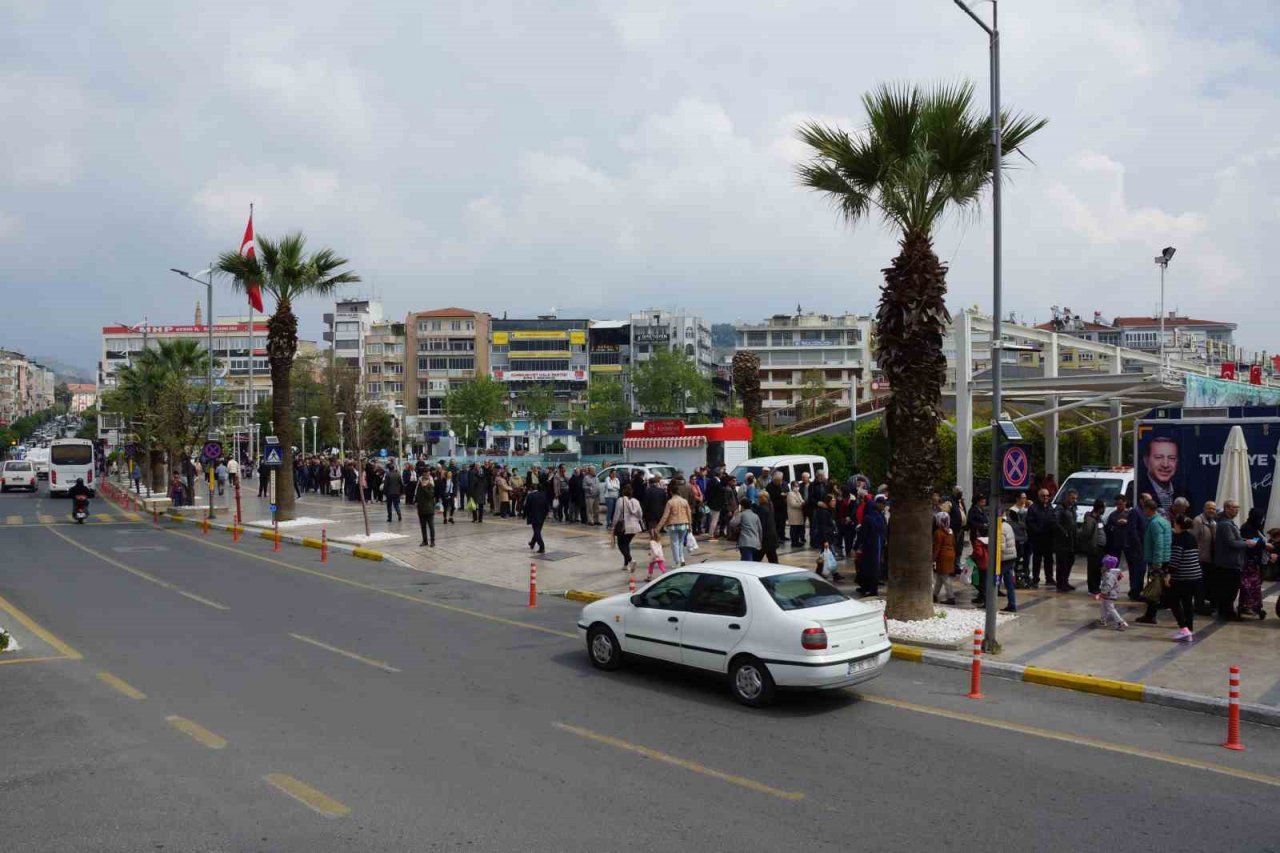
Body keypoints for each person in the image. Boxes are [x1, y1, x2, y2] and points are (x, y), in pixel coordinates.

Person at [1212, 499, 1256, 621]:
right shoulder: (1225, 524)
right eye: (1234, 507)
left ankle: (1225, 611)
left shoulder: (1228, 522)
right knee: (1230, 590)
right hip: (1229, 562)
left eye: (1238, 507)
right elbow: (1231, 543)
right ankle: (1228, 613)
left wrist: (1244, 540)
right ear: (1227, 508)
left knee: (1227, 589)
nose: (1237, 510)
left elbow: (1235, 539)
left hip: (1228, 562)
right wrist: (1246, 543)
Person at [1134, 497, 1172, 625]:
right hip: (1165, 558)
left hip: (1157, 560)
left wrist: (1157, 563)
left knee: (1153, 588)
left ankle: (1151, 615)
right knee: (1159, 587)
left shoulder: (1155, 523)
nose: (1143, 512)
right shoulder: (1164, 521)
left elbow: (1158, 544)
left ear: (1148, 509)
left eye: (1144, 509)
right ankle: (1151, 613)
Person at [1165, 514, 1202, 641]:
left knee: (1173, 601)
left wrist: (1168, 573)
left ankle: (1183, 628)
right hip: (1195, 576)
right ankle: (1189, 630)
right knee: (1187, 602)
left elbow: (1175, 560)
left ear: (1178, 525)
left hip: (1182, 577)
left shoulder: (1178, 539)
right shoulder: (1191, 537)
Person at [1142, 435, 1189, 515]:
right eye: (1158, 457)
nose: (1165, 464)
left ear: (1177, 462)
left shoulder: (1184, 493)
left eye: (1171, 458)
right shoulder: (1139, 490)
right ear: (1146, 461)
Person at [1237, 507, 1268, 619]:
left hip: (1257, 562)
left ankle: (1254, 606)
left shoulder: (1257, 527)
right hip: (1249, 561)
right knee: (1248, 586)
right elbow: (1251, 542)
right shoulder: (1247, 528)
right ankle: (1247, 606)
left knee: (1256, 586)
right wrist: (1265, 545)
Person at [854, 496, 887, 597]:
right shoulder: (881, 517)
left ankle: (869, 589)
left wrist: (856, 547)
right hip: (878, 547)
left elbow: (862, 534)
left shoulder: (868, 518)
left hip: (869, 548)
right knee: (874, 568)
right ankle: (871, 589)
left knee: (866, 568)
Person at [656, 482, 693, 568]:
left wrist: (658, 527)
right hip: (684, 524)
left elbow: (665, 516)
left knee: (675, 544)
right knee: (680, 543)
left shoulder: (670, 502)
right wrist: (690, 526)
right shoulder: (684, 501)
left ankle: (677, 562)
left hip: (673, 525)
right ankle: (682, 559)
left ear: (671, 492)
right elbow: (689, 514)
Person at [1191, 501, 1218, 615]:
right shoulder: (1197, 521)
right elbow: (1192, 539)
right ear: (1204, 509)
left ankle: (1205, 603)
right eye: (1209, 508)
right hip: (1200, 558)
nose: (1211, 510)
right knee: (1199, 584)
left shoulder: (1214, 522)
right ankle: (1199, 605)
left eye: (1213, 509)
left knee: (1207, 583)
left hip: (1210, 558)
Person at [1026, 488, 1055, 588]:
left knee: (1049, 560)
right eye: (1043, 496)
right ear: (1039, 497)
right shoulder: (1033, 508)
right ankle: (1035, 579)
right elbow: (1030, 522)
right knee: (1037, 560)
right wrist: (1038, 531)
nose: (1046, 498)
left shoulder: (1050, 507)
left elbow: (1053, 519)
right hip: (1037, 539)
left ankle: (1049, 578)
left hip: (1049, 539)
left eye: (1047, 496)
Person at [613, 483, 643, 572]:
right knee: (626, 544)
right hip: (634, 527)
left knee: (621, 545)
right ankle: (626, 565)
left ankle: (630, 560)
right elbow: (640, 514)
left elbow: (617, 514)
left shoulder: (620, 500)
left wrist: (613, 525)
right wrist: (637, 520)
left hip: (624, 526)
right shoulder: (636, 501)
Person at [1052, 489, 1078, 592]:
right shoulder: (1060, 508)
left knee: (1070, 562)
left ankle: (1065, 581)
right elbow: (1055, 522)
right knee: (1062, 563)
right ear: (1067, 497)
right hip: (1062, 542)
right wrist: (1064, 532)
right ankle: (1060, 583)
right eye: (1072, 498)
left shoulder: (1073, 509)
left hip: (1071, 541)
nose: (1074, 500)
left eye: (1075, 498)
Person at [1081, 499, 1106, 594]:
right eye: (1104, 507)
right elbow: (1086, 533)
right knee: (1093, 569)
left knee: (1098, 569)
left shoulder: (1099, 518)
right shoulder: (1090, 519)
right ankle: (1092, 588)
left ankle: (1096, 586)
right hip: (1094, 547)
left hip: (1100, 548)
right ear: (1100, 508)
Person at [1095, 555, 1128, 631]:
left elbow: (1108, 586)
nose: (1102, 567)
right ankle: (1103, 620)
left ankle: (1120, 621)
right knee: (1103, 607)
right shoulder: (1110, 573)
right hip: (1108, 595)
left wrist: (1101, 593)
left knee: (1110, 608)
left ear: (1107, 567)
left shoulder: (1109, 575)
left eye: (1103, 565)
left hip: (1109, 595)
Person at [932, 513, 957, 605]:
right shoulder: (950, 531)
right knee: (940, 577)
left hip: (942, 556)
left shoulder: (938, 532)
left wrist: (933, 558)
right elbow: (954, 543)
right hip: (951, 554)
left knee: (945, 577)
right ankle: (934, 595)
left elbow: (937, 547)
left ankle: (951, 597)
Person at [728, 497, 761, 562]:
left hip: (745, 542)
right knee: (748, 560)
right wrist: (760, 541)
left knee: (747, 563)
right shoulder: (755, 516)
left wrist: (734, 515)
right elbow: (760, 529)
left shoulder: (742, 514)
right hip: (755, 542)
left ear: (742, 506)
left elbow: (732, 523)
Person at [999, 508, 1019, 612]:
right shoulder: (1008, 526)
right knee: (1008, 582)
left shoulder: (1000, 528)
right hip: (1011, 556)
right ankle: (1012, 603)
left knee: (995, 581)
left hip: (1004, 558)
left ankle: (989, 601)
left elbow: (1001, 547)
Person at [753, 492, 780, 565]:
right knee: (773, 558)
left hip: (765, 537)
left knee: (756, 559)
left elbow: (761, 524)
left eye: (759, 498)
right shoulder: (770, 505)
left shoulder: (762, 509)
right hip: (772, 536)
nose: (758, 500)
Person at [524, 484, 549, 555]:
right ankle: (532, 543)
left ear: (531, 489)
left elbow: (527, 507)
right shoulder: (543, 495)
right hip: (542, 516)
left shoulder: (530, 496)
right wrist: (546, 513)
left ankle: (542, 546)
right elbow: (546, 505)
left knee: (536, 531)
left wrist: (524, 515)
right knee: (537, 530)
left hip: (534, 516)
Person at [416, 471, 436, 547]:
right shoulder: (419, 487)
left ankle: (432, 541)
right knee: (423, 526)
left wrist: (424, 487)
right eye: (423, 480)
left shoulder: (430, 487)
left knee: (431, 526)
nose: (424, 482)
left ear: (428, 481)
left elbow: (430, 495)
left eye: (425, 480)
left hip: (429, 510)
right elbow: (418, 496)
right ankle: (425, 541)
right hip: (421, 510)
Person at [786, 482, 805, 547]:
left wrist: (802, 502)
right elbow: (793, 504)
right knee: (794, 528)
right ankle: (794, 542)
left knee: (798, 529)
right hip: (793, 514)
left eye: (798, 486)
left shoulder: (798, 493)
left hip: (799, 513)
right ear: (792, 487)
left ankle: (797, 541)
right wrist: (801, 504)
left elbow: (802, 500)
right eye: (796, 486)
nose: (797, 487)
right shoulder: (790, 494)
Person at [602, 469, 620, 534]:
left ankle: (613, 523)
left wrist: (613, 487)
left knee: (614, 511)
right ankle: (608, 523)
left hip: (615, 497)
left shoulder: (617, 479)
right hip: (609, 497)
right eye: (613, 473)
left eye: (615, 473)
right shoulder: (607, 478)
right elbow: (609, 487)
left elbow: (619, 487)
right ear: (610, 473)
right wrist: (615, 487)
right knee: (610, 510)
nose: (614, 474)